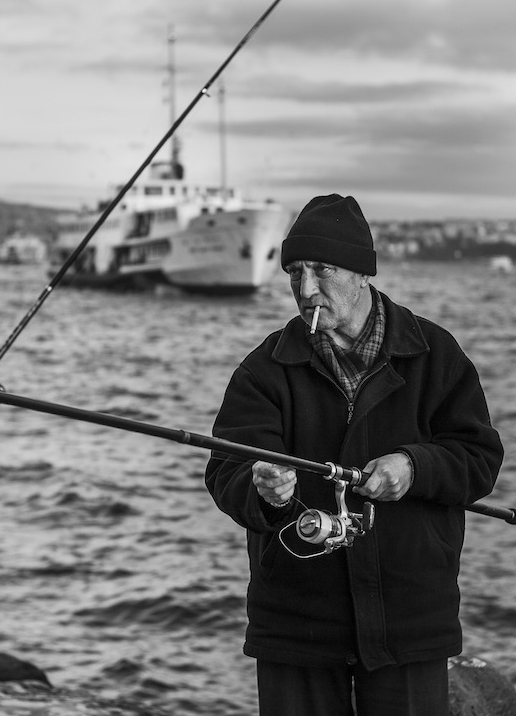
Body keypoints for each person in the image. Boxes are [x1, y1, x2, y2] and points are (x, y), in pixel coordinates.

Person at [205, 194, 503, 716]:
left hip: (411, 622)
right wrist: (264, 487)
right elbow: (226, 468)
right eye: (294, 272)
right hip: (295, 628)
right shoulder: (261, 370)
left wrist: (413, 467)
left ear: (364, 273)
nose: (305, 289)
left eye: (322, 269)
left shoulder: (438, 355)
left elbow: (479, 457)